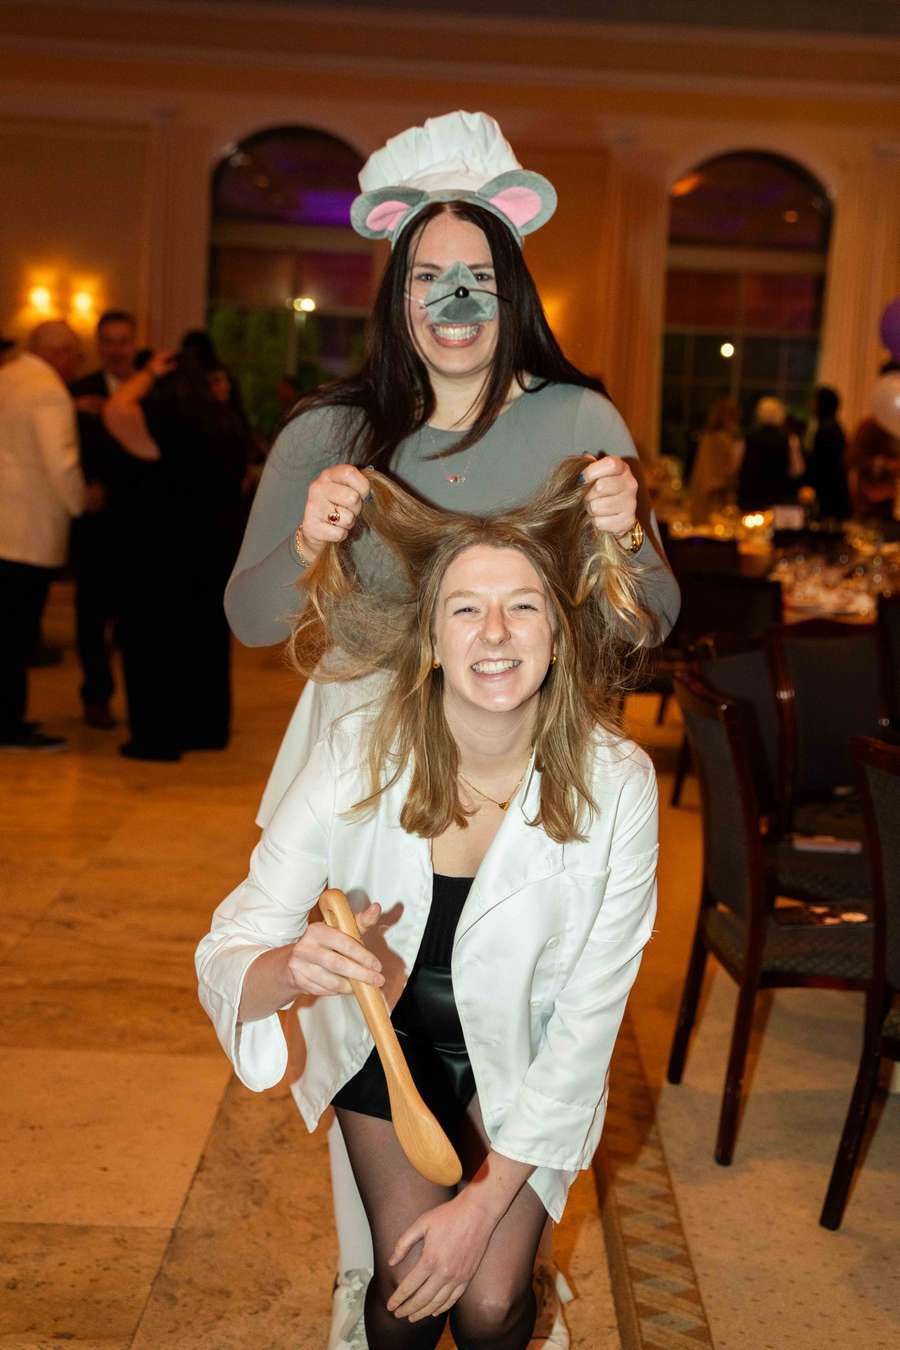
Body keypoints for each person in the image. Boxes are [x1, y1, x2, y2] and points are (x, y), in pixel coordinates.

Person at [223, 110, 678, 1348]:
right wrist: (309, 539)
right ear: (396, 290)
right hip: (364, 775)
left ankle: (496, 1237)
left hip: (517, 761)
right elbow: (251, 616)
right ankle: (379, 1270)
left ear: (512, 284)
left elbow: (651, 620)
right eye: (428, 276)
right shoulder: (328, 432)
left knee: (511, 1015)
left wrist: (628, 535)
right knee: (372, 1024)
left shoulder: (578, 420)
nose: (455, 299)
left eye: (478, 273)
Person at [197, 459, 659, 1349]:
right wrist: (288, 967)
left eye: (523, 606)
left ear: (559, 635)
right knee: (409, 1286)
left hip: (527, 1051)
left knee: (490, 1303)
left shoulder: (618, 784)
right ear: (432, 640)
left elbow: (587, 1025)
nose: (496, 632)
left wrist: (484, 1206)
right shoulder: (355, 753)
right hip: (389, 1046)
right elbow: (228, 947)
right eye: (465, 608)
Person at [103, 350, 250, 760]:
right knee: (204, 641)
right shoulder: (226, 423)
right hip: (214, 552)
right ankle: (205, 728)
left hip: (161, 554)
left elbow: (115, 409)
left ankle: (157, 738)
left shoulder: (163, 420)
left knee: (154, 645)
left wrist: (147, 374)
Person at [0, 321, 85, 751]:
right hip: (26, 532)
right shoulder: (48, 390)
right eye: (75, 355)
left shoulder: (6, 376)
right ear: (60, 353)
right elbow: (61, 462)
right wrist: (81, 504)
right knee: (16, 636)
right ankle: (9, 726)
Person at [68, 309, 138, 728]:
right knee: (91, 618)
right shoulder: (78, 392)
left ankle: (140, 701)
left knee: (133, 621)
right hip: (94, 526)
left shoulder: (150, 389)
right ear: (99, 345)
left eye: (122, 341)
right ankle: (95, 697)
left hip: (138, 526)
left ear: (133, 343)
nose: (115, 349)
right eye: (108, 341)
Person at [737, 396, 798, 512]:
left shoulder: (747, 438)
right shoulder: (790, 440)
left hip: (750, 496)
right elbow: (796, 470)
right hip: (777, 497)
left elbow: (735, 466)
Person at [688, 397, 743, 523]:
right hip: (714, 497)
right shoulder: (720, 440)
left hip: (706, 493)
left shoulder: (709, 437)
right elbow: (723, 470)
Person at [804, 386, 851, 521]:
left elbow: (823, 465)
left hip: (830, 493)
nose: (810, 404)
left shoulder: (827, 428)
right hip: (833, 491)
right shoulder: (831, 426)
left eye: (814, 401)